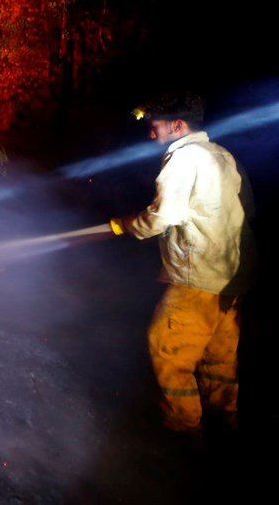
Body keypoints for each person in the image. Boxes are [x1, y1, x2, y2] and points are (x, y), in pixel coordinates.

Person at [108, 90, 256, 445]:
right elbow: (247, 210)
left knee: (166, 346)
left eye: (155, 125)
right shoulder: (223, 156)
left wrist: (129, 224)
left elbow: (163, 215)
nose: (150, 133)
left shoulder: (184, 158)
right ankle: (226, 428)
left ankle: (183, 436)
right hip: (233, 280)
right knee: (220, 362)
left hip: (198, 279)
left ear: (177, 125)